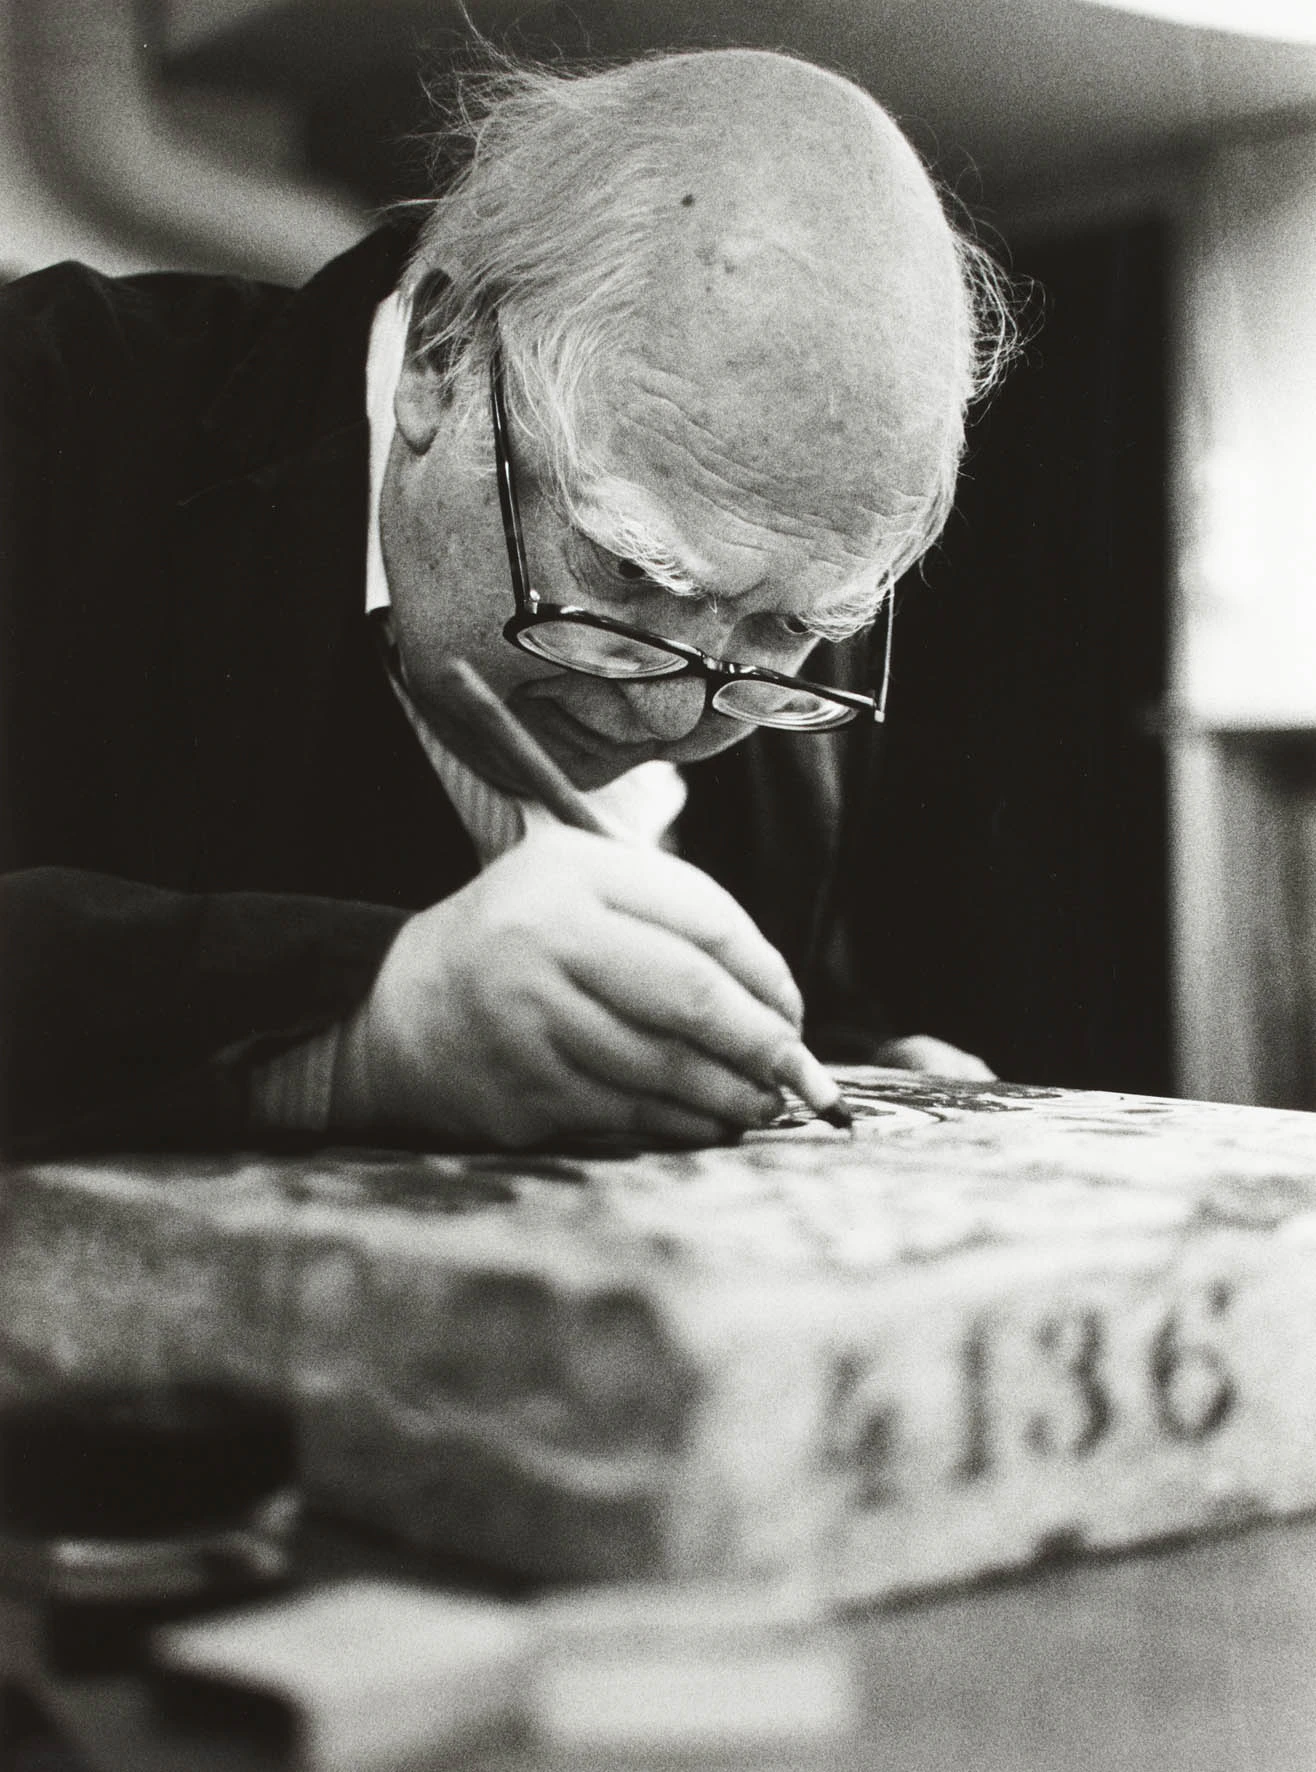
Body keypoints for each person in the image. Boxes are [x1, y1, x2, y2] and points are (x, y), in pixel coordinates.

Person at [0, 47, 1010, 1157]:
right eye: (629, 571)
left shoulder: (764, 674)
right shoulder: (46, 410)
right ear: (440, 358)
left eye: (796, 626)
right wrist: (359, 1033)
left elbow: (772, 986)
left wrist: (852, 1052)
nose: (674, 718)